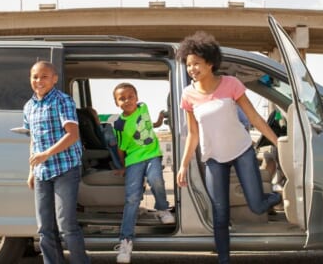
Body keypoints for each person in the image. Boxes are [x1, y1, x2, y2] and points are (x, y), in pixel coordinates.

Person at [175, 32, 281, 264]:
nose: (192, 68)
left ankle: (277, 196)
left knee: (256, 205)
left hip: (242, 151)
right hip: (213, 158)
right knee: (220, 214)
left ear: (210, 62)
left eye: (196, 64)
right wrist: (183, 165)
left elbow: (254, 118)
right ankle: (224, 259)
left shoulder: (231, 84)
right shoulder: (188, 95)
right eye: (189, 64)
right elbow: (193, 134)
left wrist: (278, 143)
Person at [23, 61, 90, 264]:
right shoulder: (29, 106)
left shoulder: (62, 100)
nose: (39, 81)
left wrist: (46, 154)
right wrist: (32, 169)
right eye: (35, 76)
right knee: (44, 228)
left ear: (54, 79)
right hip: (42, 171)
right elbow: (33, 139)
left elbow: (73, 134)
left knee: (66, 225)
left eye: (44, 76)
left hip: (65, 168)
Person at [111, 82, 174, 264]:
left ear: (137, 98)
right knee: (132, 198)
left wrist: (160, 121)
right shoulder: (120, 124)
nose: (127, 100)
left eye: (131, 96)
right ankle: (125, 241)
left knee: (156, 179)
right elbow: (121, 149)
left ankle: (162, 209)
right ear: (117, 103)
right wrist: (123, 166)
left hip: (153, 154)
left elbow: (150, 124)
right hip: (133, 160)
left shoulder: (143, 107)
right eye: (122, 98)